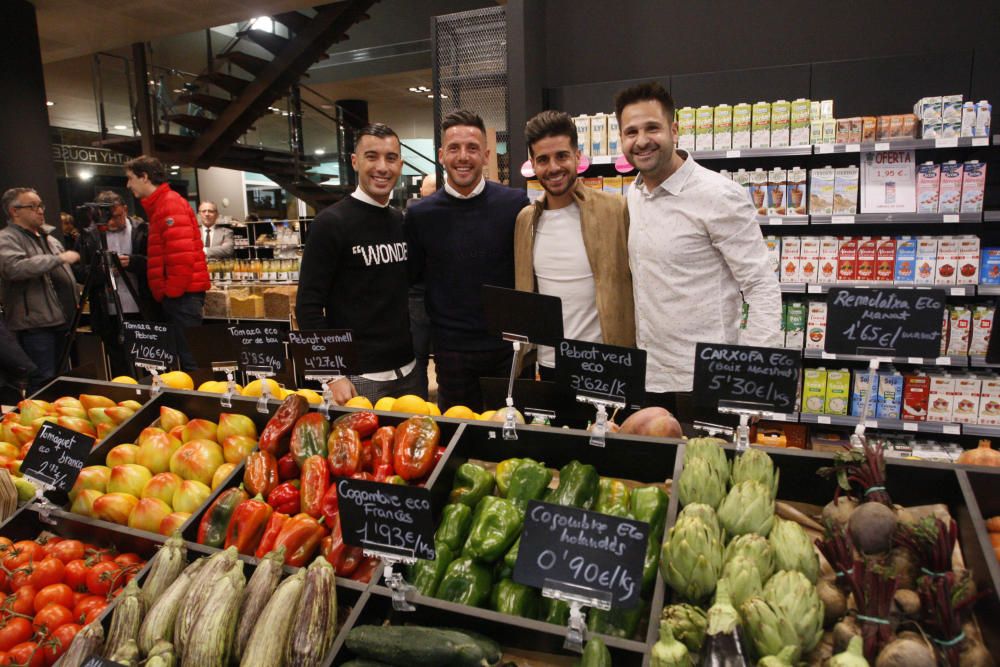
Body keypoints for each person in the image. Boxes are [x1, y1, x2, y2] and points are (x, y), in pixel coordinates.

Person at [615, 82, 782, 419]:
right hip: (651, 376)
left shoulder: (718, 194)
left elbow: (761, 286)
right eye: (631, 131)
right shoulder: (633, 195)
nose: (642, 140)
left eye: (652, 128)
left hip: (708, 380)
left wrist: (754, 371)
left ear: (674, 130)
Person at [406, 110, 530, 412]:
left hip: (506, 350)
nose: (463, 156)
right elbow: (414, 280)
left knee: (508, 434)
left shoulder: (514, 204)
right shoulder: (420, 214)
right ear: (441, 155)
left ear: (486, 155)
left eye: (472, 148)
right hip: (450, 353)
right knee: (458, 439)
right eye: (454, 148)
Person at [296, 123, 417, 404]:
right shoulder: (330, 223)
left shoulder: (401, 221)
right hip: (358, 378)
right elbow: (308, 306)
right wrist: (332, 374)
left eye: (390, 158)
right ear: (355, 161)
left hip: (409, 371)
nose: (382, 167)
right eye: (371, 156)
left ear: (400, 164)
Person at [514, 110, 635, 381]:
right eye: (543, 159)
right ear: (533, 163)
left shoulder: (615, 210)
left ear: (577, 157)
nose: (554, 167)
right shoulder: (526, 221)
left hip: (605, 361)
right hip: (549, 365)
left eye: (562, 156)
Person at [124, 155, 210, 371]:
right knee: (186, 357)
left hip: (182, 297)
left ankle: (198, 402)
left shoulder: (169, 204)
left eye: (130, 178)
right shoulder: (162, 204)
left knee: (191, 359)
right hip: (180, 296)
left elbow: (181, 255)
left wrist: (169, 291)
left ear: (144, 177)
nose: (128, 184)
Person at [0, 188, 80, 391]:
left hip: (63, 321)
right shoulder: (6, 238)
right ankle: (41, 422)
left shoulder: (50, 238)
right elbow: (14, 268)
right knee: (43, 381)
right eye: (32, 206)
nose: (40, 211)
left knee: (63, 379)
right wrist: (58, 259)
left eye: (40, 205)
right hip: (34, 325)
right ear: (14, 211)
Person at [74, 190, 154, 377]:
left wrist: (134, 262)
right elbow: (78, 272)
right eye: (106, 217)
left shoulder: (142, 230)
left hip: (142, 306)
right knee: (120, 364)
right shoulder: (88, 236)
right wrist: (104, 271)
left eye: (116, 216)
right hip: (107, 310)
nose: (111, 222)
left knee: (150, 361)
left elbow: (158, 263)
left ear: (125, 209)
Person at [403, 173, 437, 399]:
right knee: (422, 358)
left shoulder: (410, 217)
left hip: (420, 293)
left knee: (421, 358)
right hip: (421, 294)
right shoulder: (414, 218)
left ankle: (423, 404)